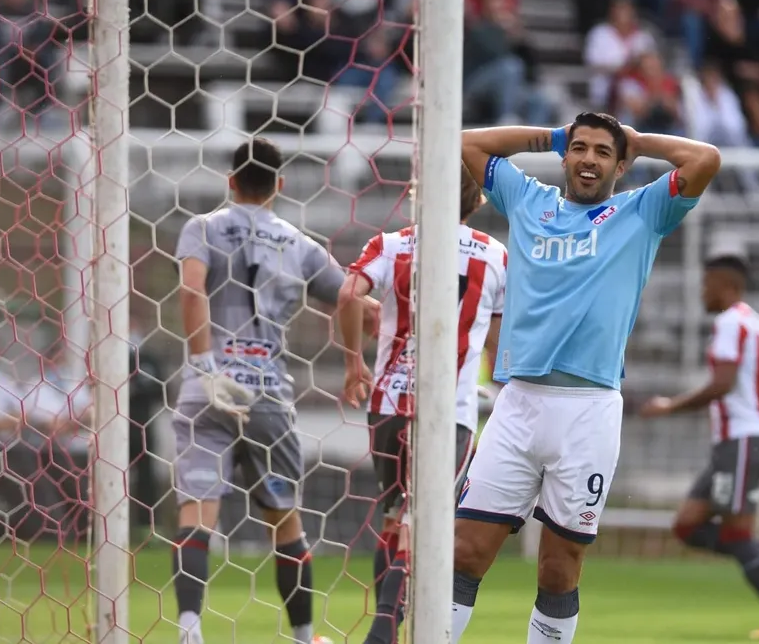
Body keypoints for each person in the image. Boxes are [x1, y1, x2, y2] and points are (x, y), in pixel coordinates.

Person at [452, 112, 721, 643]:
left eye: (603, 151)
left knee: (559, 563)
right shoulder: (528, 200)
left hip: (589, 411)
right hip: (518, 404)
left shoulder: (642, 211)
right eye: (578, 148)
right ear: (564, 157)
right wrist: (552, 136)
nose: (588, 160)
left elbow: (705, 159)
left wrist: (640, 140)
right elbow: (464, 142)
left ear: (622, 165)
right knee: (464, 550)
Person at [172, 138, 338, 644]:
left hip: (207, 391)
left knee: (197, 513)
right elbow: (352, 295)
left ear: (230, 181)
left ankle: (189, 629)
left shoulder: (200, 227)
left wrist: (204, 364)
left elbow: (191, 287)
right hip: (267, 391)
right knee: (285, 523)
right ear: (279, 185)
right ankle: (306, 636)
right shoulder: (303, 245)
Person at [339, 164, 507, 644]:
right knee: (423, 521)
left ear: (421, 194)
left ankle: (384, 623)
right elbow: (499, 338)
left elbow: (350, 292)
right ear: (477, 202)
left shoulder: (392, 244)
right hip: (447, 409)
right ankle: (384, 631)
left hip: (389, 399)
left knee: (393, 514)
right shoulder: (496, 256)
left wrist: (354, 364)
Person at [640, 255, 759, 639]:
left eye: (706, 284)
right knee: (687, 526)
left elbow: (722, 385)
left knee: (734, 535)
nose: (702, 292)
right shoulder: (758, 324)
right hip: (742, 444)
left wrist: (669, 407)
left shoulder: (731, 322)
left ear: (725, 284)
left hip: (742, 446)